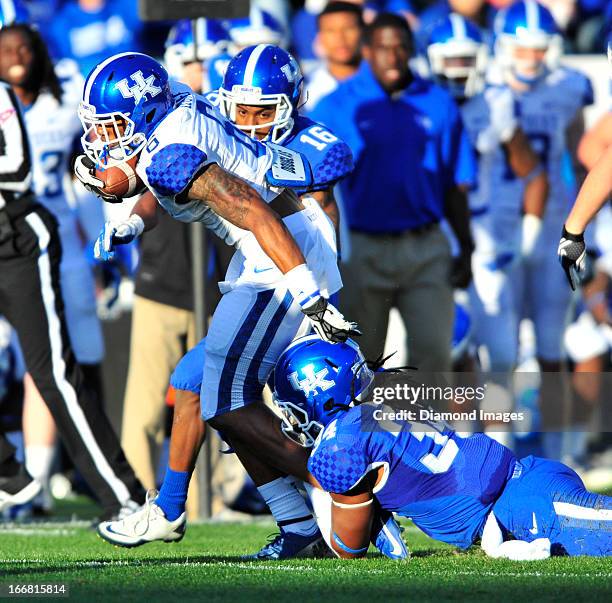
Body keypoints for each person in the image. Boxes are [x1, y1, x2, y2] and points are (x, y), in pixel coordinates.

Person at [72, 51, 359, 556]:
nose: (102, 140)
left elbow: (251, 212)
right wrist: (129, 220)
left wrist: (308, 294)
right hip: (274, 244)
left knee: (226, 403)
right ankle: (177, 511)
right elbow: (145, 172)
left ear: (140, 117)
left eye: (112, 126)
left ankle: (346, 486)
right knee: (190, 382)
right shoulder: (172, 108)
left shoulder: (170, 153)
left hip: (279, 253)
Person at [273, 336, 612, 558]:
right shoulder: (382, 402)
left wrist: (325, 490)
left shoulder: (341, 446)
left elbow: (348, 547)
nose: (292, 419)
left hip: (522, 509)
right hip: (528, 479)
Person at [0, 34, 146, 517]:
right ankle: (16, 474)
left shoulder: (53, 102)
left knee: (57, 369)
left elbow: (18, 167)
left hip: (28, 238)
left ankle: (110, 491)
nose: (16, 59)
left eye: (24, 49)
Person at [310, 13, 476, 369]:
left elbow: (454, 184)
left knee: (433, 358)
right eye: (384, 48)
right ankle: (363, 428)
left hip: (427, 246)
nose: (394, 56)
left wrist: (467, 245)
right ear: (367, 50)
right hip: (363, 248)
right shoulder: (335, 107)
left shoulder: (438, 102)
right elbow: (311, 191)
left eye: (402, 47)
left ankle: (428, 427)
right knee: (362, 364)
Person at [426, 13, 549, 445]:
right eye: (451, 59)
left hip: (489, 242)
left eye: (466, 58)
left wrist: (528, 233)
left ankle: (500, 455)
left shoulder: (496, 102)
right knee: (452, 352)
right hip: (437, 240)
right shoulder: (421, 101)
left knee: (500, 359)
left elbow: (533, 172)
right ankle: (460, 454)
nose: (459, 69)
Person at [491, 1, 593, 457]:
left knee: (551, 346)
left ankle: (556, 452)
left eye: (539, 49)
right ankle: (498, 449)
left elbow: (581, 157)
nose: (531, 58)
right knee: (498, 350)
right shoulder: (485, 86)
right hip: (496, 229)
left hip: (552, 222)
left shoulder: (570, 87)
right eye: (523, 48)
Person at [302, 2, 365, 113]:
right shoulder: (308, 93)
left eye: (348, 28)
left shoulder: (384, 81)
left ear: (363, 32)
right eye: (330, 30)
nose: (340, 38)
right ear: (320, 37)